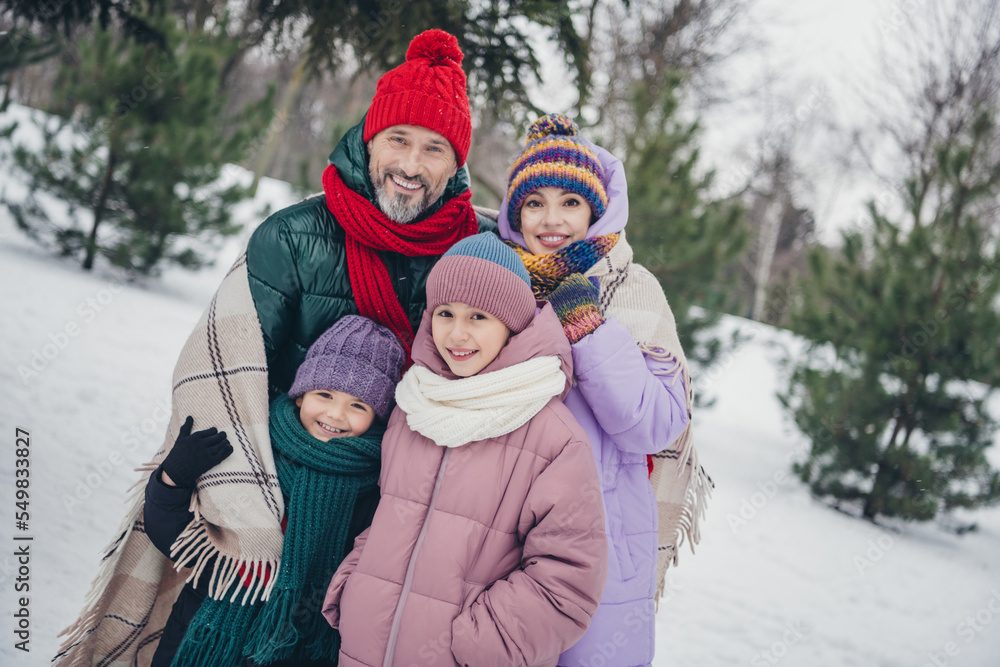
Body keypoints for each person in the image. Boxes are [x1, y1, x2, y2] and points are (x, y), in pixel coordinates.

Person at [54, 29, 494, 666]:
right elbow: (234, 372)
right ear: (370, 138)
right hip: (271, 497)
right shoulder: (293, 236)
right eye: (398, 139)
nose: (411, 164)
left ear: (457, 165)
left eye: (434, 148)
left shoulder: (477, 254)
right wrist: (214, 488)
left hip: (384, 518)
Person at [321, 233, 609, 666]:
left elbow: (568, 579)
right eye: (445, 313)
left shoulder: (554, 438)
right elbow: (388, 514)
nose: (456, 333)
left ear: (511, 325)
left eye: (479, 316)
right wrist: (355, 584)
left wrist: (478, 643)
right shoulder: (414, 405)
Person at [498, 114, 711, 667]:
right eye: (534, 202)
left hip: (602, 531)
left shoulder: (632, 287)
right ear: (514, 210)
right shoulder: (493, 277)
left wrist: (589, 331)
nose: (552, 220)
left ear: (595, 208)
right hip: (496, 523)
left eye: (570, 203)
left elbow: (657, 424)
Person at [144, 316, 405, 666]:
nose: (336, 414)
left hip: (294, 651)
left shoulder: (375, 487)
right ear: (300, 396)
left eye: (358, 405)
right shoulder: (256, 453)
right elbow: (180, 544)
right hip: (202, 635)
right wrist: (173, 478)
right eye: (324, 394)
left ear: (377, 416)